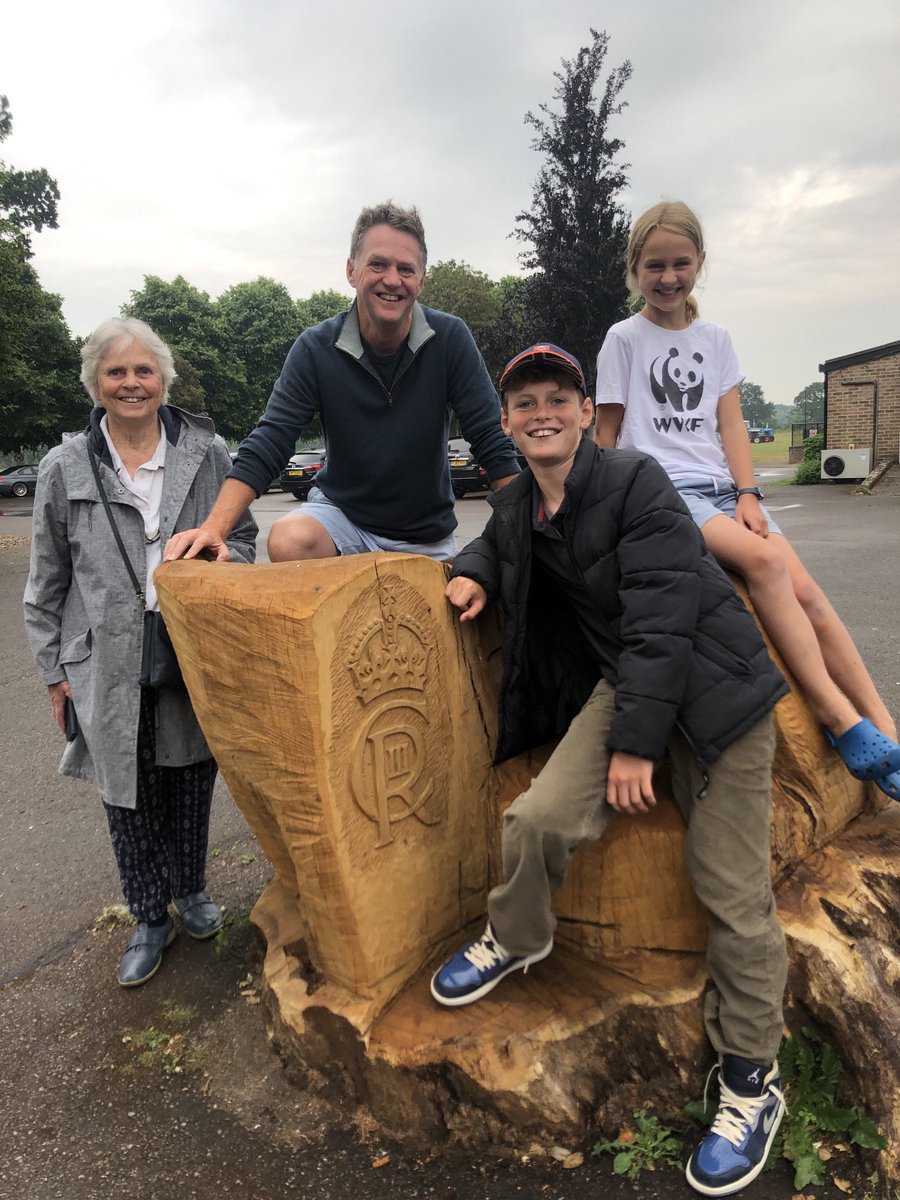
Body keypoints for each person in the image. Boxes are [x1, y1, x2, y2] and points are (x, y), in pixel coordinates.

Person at [430, 344, 790, 1197]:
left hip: (711, 689)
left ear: (587, 411)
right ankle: (516, 939)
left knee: (729, 886)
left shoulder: (635, 482)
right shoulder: (518, 503)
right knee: (536, 818)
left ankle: (752, 1082)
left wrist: (636, 743)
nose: (541, 412)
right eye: (525, 403)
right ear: (507, 423)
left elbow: (665, 619)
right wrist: (470, 577)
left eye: (559, 398)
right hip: (627, 682)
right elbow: (493, 548)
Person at [594, 200, 900, 801]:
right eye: (654, 265)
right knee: (762, 565)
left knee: (806, 589)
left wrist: (750, 493)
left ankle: (886, 729)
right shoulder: (623, 339)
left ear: (700, 263)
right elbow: (607, 433)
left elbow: (732, 428)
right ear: (635, 270)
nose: (668, 278)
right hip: (661, 491)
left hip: (721, 488)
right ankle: (840, 719)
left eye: (681, 263)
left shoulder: (715, 339)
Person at [24, 318, 258, 988]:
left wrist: (217, 569)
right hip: (103, 659)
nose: (130, 383)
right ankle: (149, 916)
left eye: (143, 371)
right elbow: (45, 582)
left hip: (191, 650)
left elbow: (239, 536)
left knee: (190, 780)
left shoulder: (208, 455)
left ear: (164, 380)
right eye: (116, 371)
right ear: (95, 383)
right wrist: (52, 673)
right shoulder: (64, 467)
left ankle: (192, 893)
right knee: (127, 795)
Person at [163, 201, 519, 566]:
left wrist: (524, 532)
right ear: (351, 271)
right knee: (288, 540)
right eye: (377, 264)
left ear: (422, 280)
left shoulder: (450, 339)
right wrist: (215, 529)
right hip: (343, 521)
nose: (392, 280)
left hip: (424, 534)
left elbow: (492, 441)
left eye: (406, 269)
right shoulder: (316, 348)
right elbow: (271, 440)